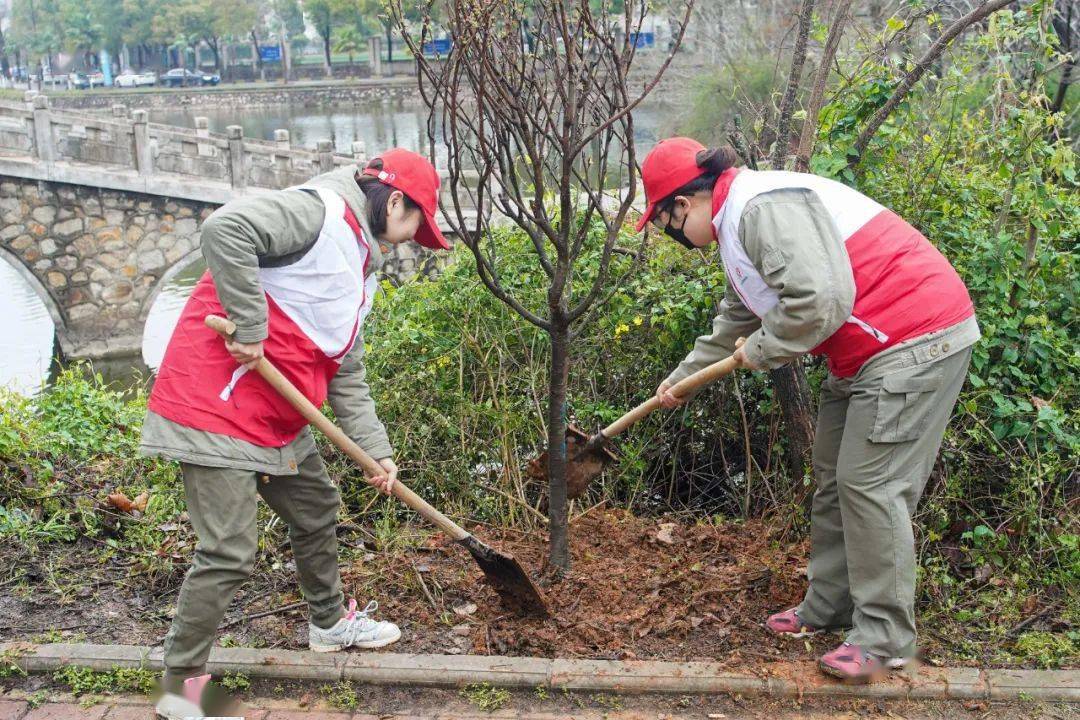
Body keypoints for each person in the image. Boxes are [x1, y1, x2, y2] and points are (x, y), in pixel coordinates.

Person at [638, 137, 979, 682]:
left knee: (870, 484)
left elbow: (820, 303)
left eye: (661, 224)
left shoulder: (760, 208)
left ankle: (885, 637)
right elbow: (735, 321)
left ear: (680, 204)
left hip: (915, 338)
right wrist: (679, 382)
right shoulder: (736, 224)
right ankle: (831, 604)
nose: (668, 236)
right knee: (831, 477)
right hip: (863, 354)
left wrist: (763, 353)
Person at [140, 149, 449, 719]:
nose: (411, 240)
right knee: (230, 550)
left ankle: (329, 624)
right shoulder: (318, 212)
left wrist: (376, 454)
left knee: (316, 507)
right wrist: (250, 326)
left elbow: (345, 371)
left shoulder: (361, 263)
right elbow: (225, 227)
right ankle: (180, 689)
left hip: (280, 414)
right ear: (395, 201)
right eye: (415, 226)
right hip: (216, 404)